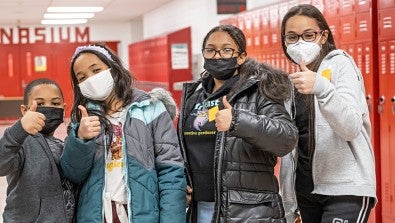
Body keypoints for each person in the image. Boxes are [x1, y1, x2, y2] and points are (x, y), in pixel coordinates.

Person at [178, 24, 299, 223]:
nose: (217, 56)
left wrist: (237, 120)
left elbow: (287, 138)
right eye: (210, 50)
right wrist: (183, 182)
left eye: (226, 50)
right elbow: (184, 151)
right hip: (202, 209)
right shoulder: (195, 96)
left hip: (248, 212)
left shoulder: (259, 91)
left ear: (241, 56)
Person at [60, 44, 186, 222]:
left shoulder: (151, 108)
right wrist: (80, 139)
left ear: (113, 68)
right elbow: (73, 174)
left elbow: (170, 170)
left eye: (96, 70)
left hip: (143, 213)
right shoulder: (84, 119)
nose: (90, 79)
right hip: (97, 214)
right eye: (82, 77)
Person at [279, 4, 376, 223]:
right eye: (292, 37)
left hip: (344, 189)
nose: (300, 42)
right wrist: (288, 199)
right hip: (305, 190)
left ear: (323, 36)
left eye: (309, 35)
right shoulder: (291, 83)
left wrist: (323, 88)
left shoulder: (341, 64)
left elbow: (350, 127)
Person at [0, 78, 75, 222]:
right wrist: (19, 129)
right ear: (25, 110)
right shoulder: (21, 144)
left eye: (55, 103)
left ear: (64, 108)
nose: (49, 108)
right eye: (40, 103)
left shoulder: (63, 145)